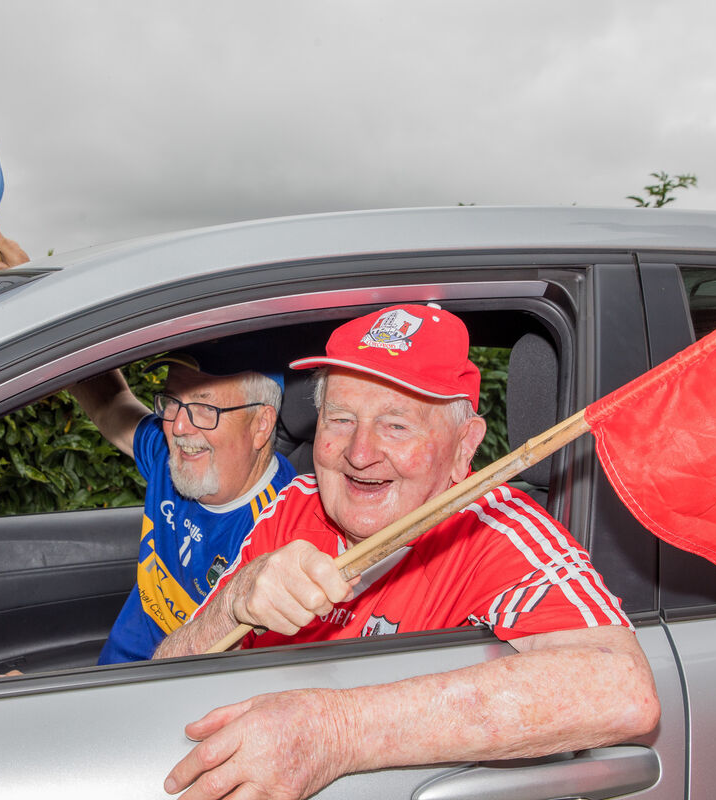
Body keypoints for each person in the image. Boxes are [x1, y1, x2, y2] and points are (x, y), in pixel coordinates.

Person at [154, 303, 660, 800]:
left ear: (465, 446)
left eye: (396, 425)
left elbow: (621, 688)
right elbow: (162, 675)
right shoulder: (293, 505)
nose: (359, 452)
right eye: (341, 419)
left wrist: (336, 732)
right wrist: (234, 601)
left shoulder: (497, 529)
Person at [76, 347, 298, 664]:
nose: (178, 427)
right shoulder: (171, 459)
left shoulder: (282, 532)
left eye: (205, 408)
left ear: (261, 424)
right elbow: (109, 406)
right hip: (113, 676)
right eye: (172, 402)